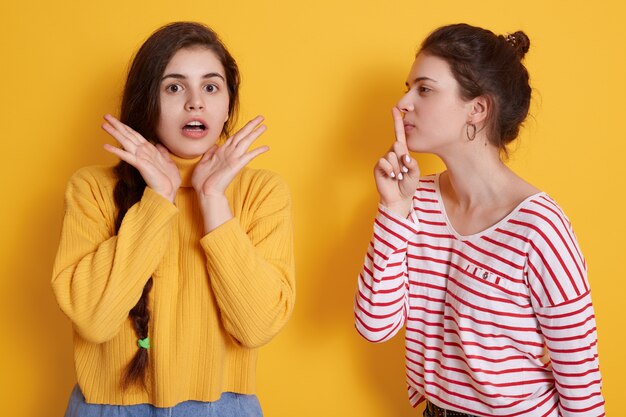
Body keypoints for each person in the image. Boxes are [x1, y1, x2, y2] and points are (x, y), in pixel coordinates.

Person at [354, 23, 605, 416]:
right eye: (407, 88)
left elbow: (582, 391)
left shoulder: (540, 229)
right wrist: (394, 210)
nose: (402, 104)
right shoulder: (414, 198)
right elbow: (374, 326)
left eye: (424, 89)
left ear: (478, 108)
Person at [52, 21, 295, 416]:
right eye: (174, 87)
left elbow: (257, 328)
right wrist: (157, 200)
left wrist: (212, 198)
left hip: (224, 406)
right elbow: (94, 321)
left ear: (229, 105)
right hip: (109, 408)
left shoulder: (262, 192)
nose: (195, 102)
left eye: (211, 87)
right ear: (146, 101)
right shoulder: (91, 189)